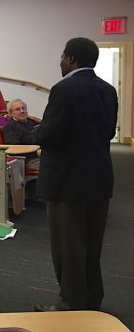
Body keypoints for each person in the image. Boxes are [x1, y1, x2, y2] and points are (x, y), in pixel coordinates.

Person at [33, 37, 117, 312]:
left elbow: (50, 133)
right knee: (92, 247)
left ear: (71, 59)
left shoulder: (64, 89)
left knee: (69, 249)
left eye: (62, 57)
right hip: (98, 178)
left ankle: (69, 306)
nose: (60, 62)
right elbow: (107, 132)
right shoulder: (108, 89)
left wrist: (34, 132)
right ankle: (92, 300)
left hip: (66, 182)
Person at [2, 99, 40, 171]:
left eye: (23, 108)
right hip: (27, 160)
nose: (22, 111)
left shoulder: (30, 122)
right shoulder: (10, 126)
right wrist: (36, 152)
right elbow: (14, 149)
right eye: (18, 109)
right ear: (11, 113)